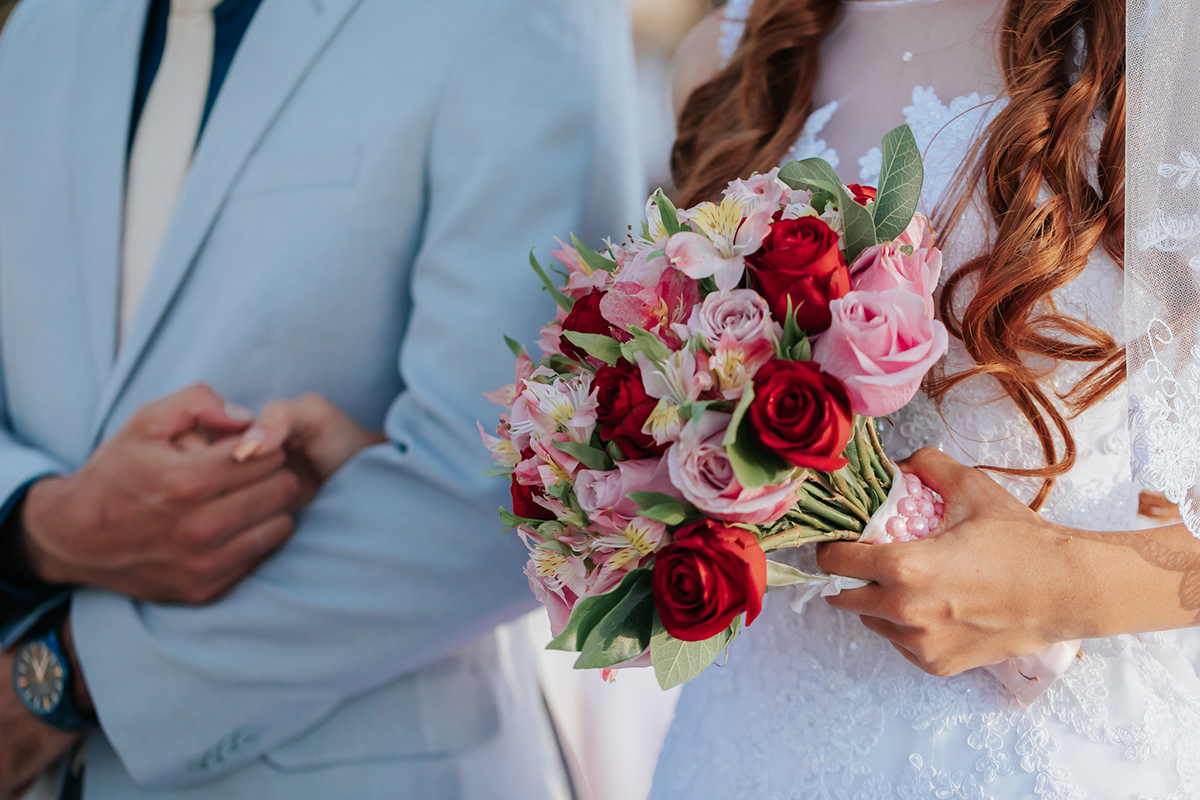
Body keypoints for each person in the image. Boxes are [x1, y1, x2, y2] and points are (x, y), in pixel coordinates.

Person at [0, 0, 642, 797]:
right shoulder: (40, 28)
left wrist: (59, 683)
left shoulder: (518, 15)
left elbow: (522, 486)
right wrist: (38, 525)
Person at [648, 0, 1200, 795]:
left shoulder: (1163, 41)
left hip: (1029, 750)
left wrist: (1061, 585)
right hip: (744, 743)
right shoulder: (730, 54)